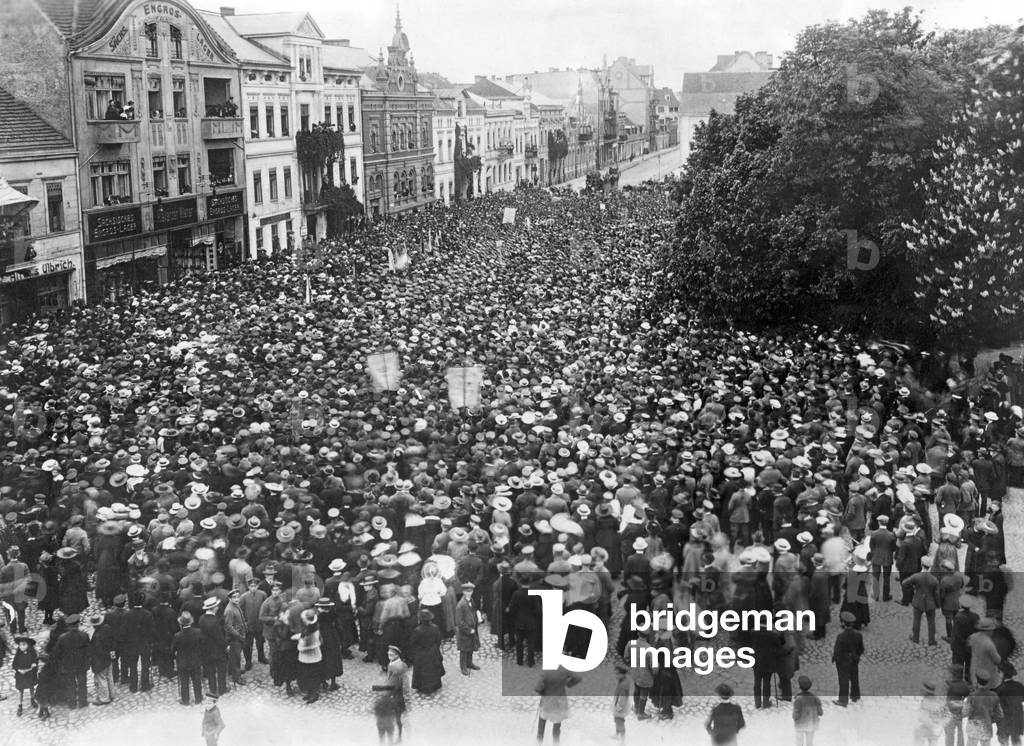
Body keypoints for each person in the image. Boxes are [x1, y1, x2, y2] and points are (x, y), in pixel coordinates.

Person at [535, 665, 581, 744]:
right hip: (560, 702)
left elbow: (537, 688)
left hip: (547, 701)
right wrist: (568, 684)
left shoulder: (546, 671)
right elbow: (578, 678)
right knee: (557, 727)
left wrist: (542, 692)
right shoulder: (563, 669)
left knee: (541, 726)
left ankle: (539, 743)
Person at [53, 613, 90, 709]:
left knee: (70, 685)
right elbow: (88, 651)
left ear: (68, 625)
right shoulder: (84, 636)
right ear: (78, 624)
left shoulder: (62, 638)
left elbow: (57, 653)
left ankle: (72, 704)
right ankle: (83, 702)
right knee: (82, 684)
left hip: (68, 666)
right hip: (81, 665)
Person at [903, 556, 940, 646]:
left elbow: (904, 583)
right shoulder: (934, 579)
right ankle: (931, 640)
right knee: (931, 622)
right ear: (930, 567)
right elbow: (936, 594)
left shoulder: (916, 576)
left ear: (921, 564)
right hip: (930, 603)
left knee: (916, 621)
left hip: (918, 601)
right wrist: (938, 605)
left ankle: (915, 638)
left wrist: (913, 588)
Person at [172, 612, 205, 706]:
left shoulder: (177, 636)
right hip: (195, 661)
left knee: (184, 682)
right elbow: (202, 645)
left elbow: (173, 649)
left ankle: (185, 700)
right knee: (197, 681)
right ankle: (198, 698)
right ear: (190, 622)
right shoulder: (198, 632)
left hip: (182, 662)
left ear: (181, 624)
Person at [409, 609, 444, 694]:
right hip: (433, 652)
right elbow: (438, 640)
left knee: (422, 671)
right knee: (433, 669)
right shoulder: (435, 627)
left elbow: (413, 643)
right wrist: (435, 648)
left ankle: (422, 687)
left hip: (421, 654)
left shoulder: (417, 630)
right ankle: (435, 686)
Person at [832, 611, 863, 707]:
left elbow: (837, 651)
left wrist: (836, 659)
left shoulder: (841, 636)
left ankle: (843, 700)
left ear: (843, 623)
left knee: (843, 680)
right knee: (854, 678)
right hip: (854, 660)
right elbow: (861, 649)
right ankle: (855, 696)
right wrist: (856, 656)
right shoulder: (858, 635)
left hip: (843, 662)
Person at [964, 674, 1003, 746]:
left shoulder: (972, 696)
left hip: (973, 726)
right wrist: (990, 720)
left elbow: (965, 712)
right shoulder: (994, 695)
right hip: (986, 726)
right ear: (987, 683)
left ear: (978, 682)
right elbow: (1000, 714)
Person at [88, 612, 116, 706]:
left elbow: (97, 650)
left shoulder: (96, 636)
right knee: (109, 677)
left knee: (102, 679)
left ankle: (104, 698)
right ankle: (111, 694)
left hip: (100, 660)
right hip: (109, 657)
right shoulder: (107, 628)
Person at [996, 663, 1024, 746]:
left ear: (1004, 674)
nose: (999, 673)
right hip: (1017, 719)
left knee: (1003, 741)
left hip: (1005, 720)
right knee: (1016, 741)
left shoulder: (1000, 689)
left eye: (1000, 672)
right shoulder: (1020, 686)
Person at [385, 645, 410, 740]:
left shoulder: (397, 667)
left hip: (396, 696)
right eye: (388, 654)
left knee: (397, 718)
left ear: (396, 655)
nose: (389, 655)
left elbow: (395, 682)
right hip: (395, 694)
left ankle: (399, 736)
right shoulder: (393, 663)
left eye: (391, 654)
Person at [456, 582, 479, 675]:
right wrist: (469, 630)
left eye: (471, 591)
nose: (469, 593)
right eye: (467, 591)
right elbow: (459, 622)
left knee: (471, 647)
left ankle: (469, 663)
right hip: (465, 632)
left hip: (473, 628)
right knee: (464, 649)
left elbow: (474, 612)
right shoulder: (460, 605)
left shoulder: (471, 600)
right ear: (463, 592)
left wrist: (478, 619)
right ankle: (463, 667)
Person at [793, 675, 822, 746]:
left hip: (800, 724)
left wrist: (795, 717)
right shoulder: (815, 698)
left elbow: (795, 714)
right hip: (812, 724)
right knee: (810, 743)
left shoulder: (798, 700)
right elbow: (820, 713)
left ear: (800, 686)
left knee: (799, 742)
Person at [12, 635, 37, 716]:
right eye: (20, 645)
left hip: (30, 674)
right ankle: (20, 705)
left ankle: (32, 699)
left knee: (31, 687)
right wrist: (19, 670)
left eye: (23, 645)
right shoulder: (18, 654)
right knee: (21, 690)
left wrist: (34, 665)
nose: (21, 647)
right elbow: (14, 665)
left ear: (28, 645)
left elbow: (35, 663)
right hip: (20, 675)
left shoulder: (32, 653)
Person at [917, 681, 947, 746]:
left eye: (922, 690)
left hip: (931, 727)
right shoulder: (937, 699)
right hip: (935, 727)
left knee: (919, 736)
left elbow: (923, 716)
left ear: (927, 691)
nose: (921, 691)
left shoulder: (927, 701)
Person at [613, 662, 632, 742]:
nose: (616, 675)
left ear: (622, 674)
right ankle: (617, 734)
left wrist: (619, 707)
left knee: (619, 721)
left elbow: (623, 698)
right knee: (617, 720)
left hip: (621, 705)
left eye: (617, 673)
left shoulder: (624, 684)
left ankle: (623, 741)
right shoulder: (622, 680)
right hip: (619, 703)